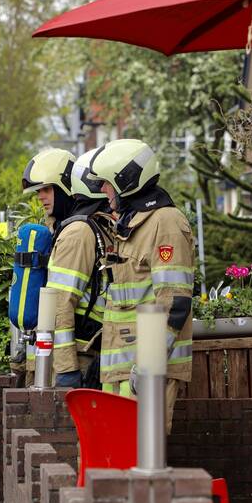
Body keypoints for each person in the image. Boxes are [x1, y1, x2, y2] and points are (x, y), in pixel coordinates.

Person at [87, 138, 195, 431]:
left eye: (107, 183)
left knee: (140, 458)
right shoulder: (131, 226)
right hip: (120, 372)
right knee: (117, 460)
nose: (102, 190)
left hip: (145, 370)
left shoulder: (166, 222)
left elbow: (174, 302)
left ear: (127, 181)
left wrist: (148, 364)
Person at [41, 148, 114, 389]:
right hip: (81, 359)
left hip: (94, 353)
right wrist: (67, 368)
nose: (41, 197)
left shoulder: (97, 225)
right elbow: (60, 304)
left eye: (47, 189)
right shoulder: (79, 232)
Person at [19, 148, 76, 382]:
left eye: (46, 189)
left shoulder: (76, 233)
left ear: (65, 187)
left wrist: (66, 368)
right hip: (44, 355)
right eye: (38, 191)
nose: (40, 196)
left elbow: (64, 302)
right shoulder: (53, 231)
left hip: (64, 357)